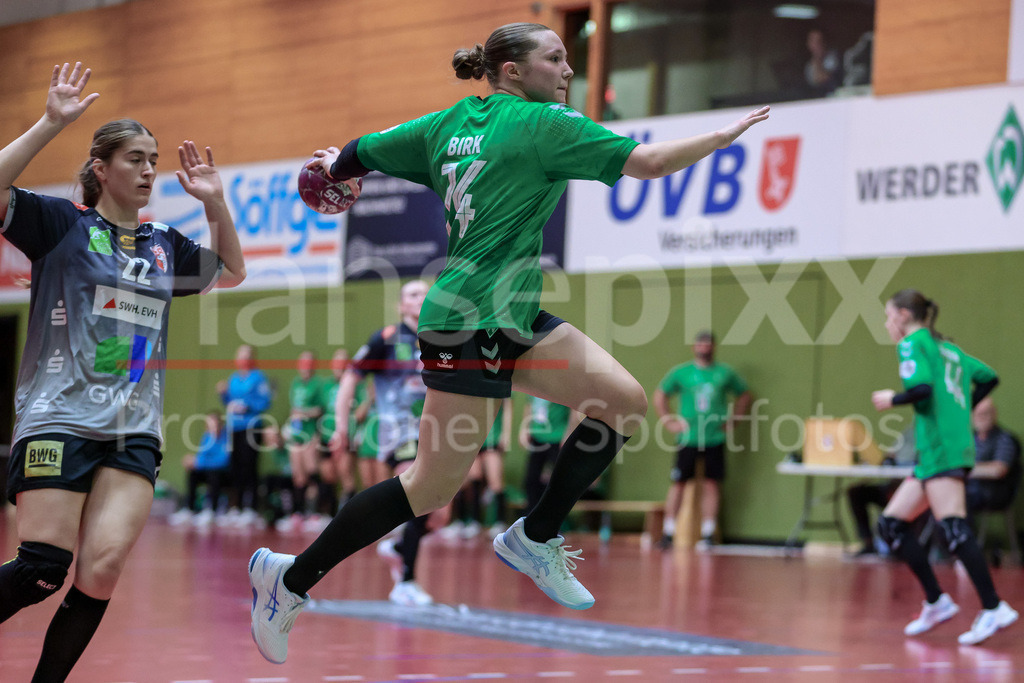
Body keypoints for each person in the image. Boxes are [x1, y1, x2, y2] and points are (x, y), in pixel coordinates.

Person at [248, 22, 769, 664]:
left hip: (511, 312)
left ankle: (536, 536)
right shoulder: (546, 124)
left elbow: (359, 151)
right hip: (470, 319)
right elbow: (652, 163)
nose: (568, 71)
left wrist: (332, 168)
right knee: (430, 487)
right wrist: (724, 133)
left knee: (625, 403)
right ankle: (288, 580)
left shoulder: (444, 125)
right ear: (514, 71)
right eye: (556, 58)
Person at [0, 62, 245, 681]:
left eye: (154, 159)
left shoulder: (165, 241)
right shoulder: (61, 225)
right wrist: (50, 123)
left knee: (102, 571)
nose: (148, 170)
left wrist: (216, 203)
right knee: (41, 570)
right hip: (59, 416)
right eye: (135, 158)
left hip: (133, 428)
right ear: (102, 169)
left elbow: (229, 270)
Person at [871, 289, 1018, 645]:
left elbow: (920, 389)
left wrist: (893, 399)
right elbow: (989, 378)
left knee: (954, 528)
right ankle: (937, 602)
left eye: (889, 316)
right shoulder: (949, 349)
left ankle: (994, 607)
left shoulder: (912, 344)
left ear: (904, 315)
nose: (888, 324)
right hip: (946, 448)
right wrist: (961, 408)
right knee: (891, 525)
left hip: (941, 449)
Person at [331, 279, 438, 606]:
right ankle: (405, 581)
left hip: (431, 431)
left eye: (425, 294)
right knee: (416, 494)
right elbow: (351, 378)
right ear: (401, 305)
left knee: (440, 514)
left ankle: (397, 546)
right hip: (396, 430)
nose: (420, 299)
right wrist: (341, 425)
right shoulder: (386, 338)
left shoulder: (439, 339)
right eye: (412, 295)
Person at [653, 330, 752, 549]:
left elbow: (744, 393)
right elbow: (660, 394)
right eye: (700, 344)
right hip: (688, 437)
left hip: (714, 437)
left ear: (714, 347)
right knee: (679, 483)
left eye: (708, 344)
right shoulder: (682, 373)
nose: (704, 348)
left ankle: (708, 534)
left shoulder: (724, 373)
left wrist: (734, 419)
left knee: (711, 483)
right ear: (694, 347)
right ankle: (669, 532)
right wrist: (669, 421)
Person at [218, 343, 272, 527]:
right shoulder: (233, 378)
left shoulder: (258, 377)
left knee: (250, 466)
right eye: (240, 356)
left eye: (246, 356)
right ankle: (237, 506)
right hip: (235, 427)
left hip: (251, 427)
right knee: (236, 466)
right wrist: (224, 395)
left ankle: (252, 508)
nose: (243, 360)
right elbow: (230, 402)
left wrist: (248, 407)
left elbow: (265, 401)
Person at [846, 426, 917, 557]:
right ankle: (868, 544)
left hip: (911, 489)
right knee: (856, 492)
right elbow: (890, 453)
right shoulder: (908, 432)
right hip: (892, 486)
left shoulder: (934, 435)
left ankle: (899, 548)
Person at [279, 350, 328, 533]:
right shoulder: (295, 383)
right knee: (298, 476)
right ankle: (297, 513)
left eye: (309, 363)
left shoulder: (318, 384)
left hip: (310, 433)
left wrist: (305, 413)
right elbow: (294, 408)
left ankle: (314, 512)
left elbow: (321, 409)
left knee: (311, 471)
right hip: (297, 434)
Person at [168, 411, 231, 528]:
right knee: (193, 473)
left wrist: (199, 462)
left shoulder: (227, 437)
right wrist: (194, 461)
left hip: (224, 474)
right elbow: (202, 455)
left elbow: (223, 460)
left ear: (219, 423)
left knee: (214, 474)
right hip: (208, 471)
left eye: (213, 422)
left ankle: (212, 511)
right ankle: (189, 509)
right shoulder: (207, 436)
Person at [966, 398, 1022, 523]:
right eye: (977, 413)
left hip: (993, 493)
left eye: (985, 413)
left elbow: (999, 470)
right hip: (971, 489)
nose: (981, 417)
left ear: (994, 413)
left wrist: (966, 469)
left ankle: (962, 539)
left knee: (957, 498)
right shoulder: (970, 439)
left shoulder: (1004, 439)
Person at [519, 396, 576, 514]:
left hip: (557, 438)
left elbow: (573, 411)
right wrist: (524, 429)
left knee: (558, 480)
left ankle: (555, 517)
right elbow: (529, 406)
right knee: (531, 479)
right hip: (537, 436)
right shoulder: (534, 385)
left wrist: (568, 434)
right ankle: (530, 517)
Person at [319, 349, 359, 510]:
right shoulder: (326, 385)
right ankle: (330, 513)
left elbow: (359, 410)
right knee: (328, 474)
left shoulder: (353, 384)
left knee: (345, 472)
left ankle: (350, 511)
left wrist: (352, 431)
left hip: (345, 435)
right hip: (327, 434)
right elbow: (322, 409)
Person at [804, 28, 841, 95]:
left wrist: (818, 59)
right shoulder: (809, 65)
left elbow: (823, 78)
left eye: (819, 41)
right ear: (809, 44)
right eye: (813, 42)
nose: (817, 44)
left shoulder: (834, 57)